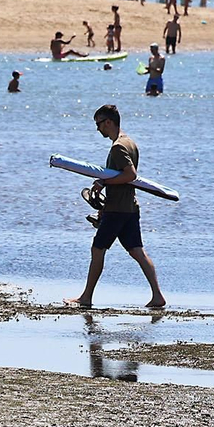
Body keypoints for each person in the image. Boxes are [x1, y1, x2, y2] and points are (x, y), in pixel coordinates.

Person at [64, 104, 165, 309]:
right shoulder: (131, 143)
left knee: (98, 248)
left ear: (108, 122)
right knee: (137, 252)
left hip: (117, 210)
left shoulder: (118, 147)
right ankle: (157, 296)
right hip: (129, 208)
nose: (98, 129)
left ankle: (86, 298)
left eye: (99, 124)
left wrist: (103, 183)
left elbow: (130, 175)